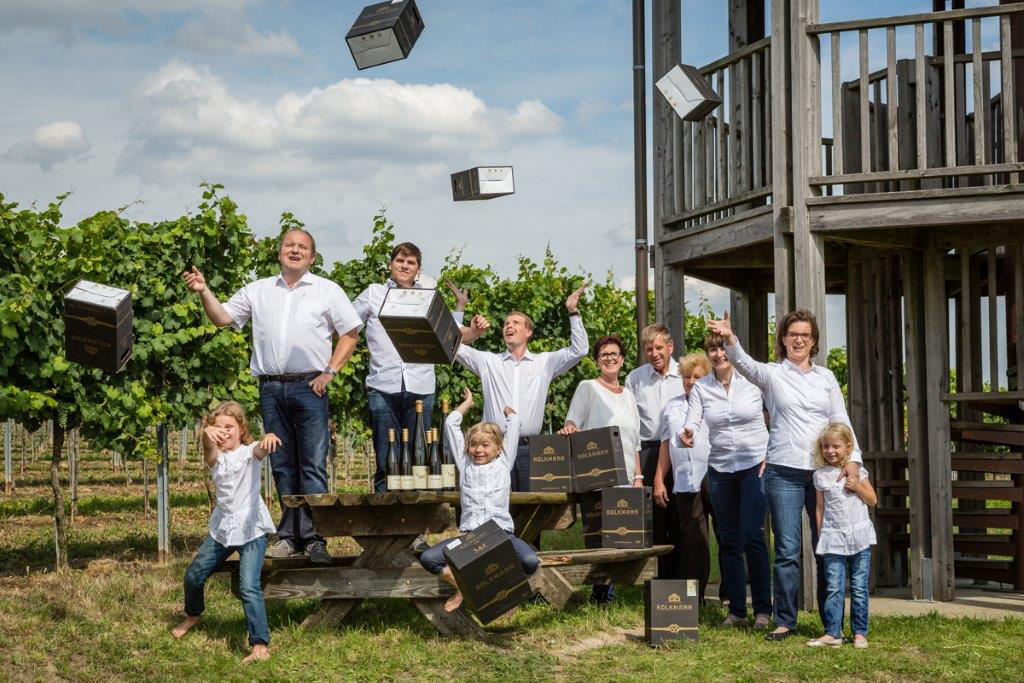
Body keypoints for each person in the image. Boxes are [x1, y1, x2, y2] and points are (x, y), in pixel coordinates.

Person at [184, 228, 363, 563]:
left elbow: (351, 333)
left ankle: (314, 539)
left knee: (312, 464)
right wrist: (204, 290)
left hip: (310, 386)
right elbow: (222, 317)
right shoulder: (259, 290)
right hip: (271, 387)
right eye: (289, 245)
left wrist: (330, 371)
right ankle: (289, 537)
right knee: (281, 464)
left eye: (302, 247)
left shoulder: (327, 290)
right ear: (280, 253)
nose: (295, 250)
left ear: (312, 257)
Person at [706, 309, 861, 642]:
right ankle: (785, 620)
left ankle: (831, 624)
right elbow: (744, 364)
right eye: (793, 334)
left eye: (805, 335)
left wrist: (854, 460)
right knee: (788, 550)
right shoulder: (773, 374)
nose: (799, 340)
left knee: (826, 548)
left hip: (823, 474)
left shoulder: (826, 378)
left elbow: (841, 420)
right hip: (783, 472)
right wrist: (730, 339)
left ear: (814, 341)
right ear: (783, 339)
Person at [353, 242, 467, 492]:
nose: (405, 266)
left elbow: (450, 333)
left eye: (411, 262)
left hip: (421, 386)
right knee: (386, 456)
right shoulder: (373, 293)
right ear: (391, 264)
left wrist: (464, 316)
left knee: (419, 458)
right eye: (400, 260)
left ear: (418, 269)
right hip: (382, 385)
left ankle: (416, 513)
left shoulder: (428, 296)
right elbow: (348, 325)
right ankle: (385, 511)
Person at [172, 401, 279, 664]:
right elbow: (209, 451)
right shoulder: (216, 458)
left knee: (248, 585)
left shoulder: (249, 453)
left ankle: (259, 643)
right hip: (223, 529)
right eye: (218, 427)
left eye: (229, 426)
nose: (224, 432)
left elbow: (261, 447)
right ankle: (193, 614)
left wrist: (269, 437)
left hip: (251, 529)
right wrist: (206, 435)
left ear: (241, 429)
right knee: (193, 575)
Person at [456, 282, 589, 492]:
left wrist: (573, 311)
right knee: (494, 504)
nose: (509, 326)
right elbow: (451, 344)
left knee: (530, 506)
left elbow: (579, 350)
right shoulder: (488, 362)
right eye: (506, 324)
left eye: (516, 323)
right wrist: (461, 314)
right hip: (494, 449)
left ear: (528, 332)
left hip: (529, 450)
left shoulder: (544, 362)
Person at [419, 388, 540, 612]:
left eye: (485, 445)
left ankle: (506, 590)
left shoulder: (504, 462)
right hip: (469, 539)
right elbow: (450, 424)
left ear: (498, 449)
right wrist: (468, 403)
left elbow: (514, 427)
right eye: (473, 444)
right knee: (429, 558)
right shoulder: (464, 463)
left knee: (530, 561)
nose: (478, 450)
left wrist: (510, 414)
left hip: (501, 536)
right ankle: (465, 589)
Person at [681, 332, 772, 628]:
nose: (719, 355)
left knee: (753, 536)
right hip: (720, 470)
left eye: (723, 349)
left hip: (754, 467)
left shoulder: (754, 381)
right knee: (729, 541)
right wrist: (688, 433)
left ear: (732, 350)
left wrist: (771, 452)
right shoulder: (702, 388)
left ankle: (763, 609)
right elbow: (693, 420)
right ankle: (736, 610)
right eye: (713, 350)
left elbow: (778, 415)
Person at [558, 334, 643, 604]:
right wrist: (570, 428)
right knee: (599, 535)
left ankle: (609, 594)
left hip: (626, 475)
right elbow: (572, 421)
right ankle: (601, 595)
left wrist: (638, 476)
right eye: (604, 355)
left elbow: (636, 441)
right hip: (598, 473)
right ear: (597, 361)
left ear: (622, 359)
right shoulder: (588, 387)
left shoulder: (629, 396)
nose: (609, 358)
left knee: (620, 535)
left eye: (614, 354)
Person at [807, 423, 877, 649]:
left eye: (835, 446)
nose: (830, 451)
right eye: (826, 446)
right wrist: (821, 536)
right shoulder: (820, 476)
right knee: (834, 587)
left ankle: (860, 632)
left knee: (859, 587)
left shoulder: (858, 472)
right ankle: (833, 632)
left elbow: (872, 500)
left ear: (848, 447)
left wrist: (857, 487)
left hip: (859, 538)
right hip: (833, 539)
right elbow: (819, 509)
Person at [625, 324, 683, 579]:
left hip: (680, 453)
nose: (654, 353)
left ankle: (684, 584)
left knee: (681, 519)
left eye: (659, 347)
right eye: (649, 349)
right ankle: (660, 584)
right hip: (649, 453)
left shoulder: (686, 374)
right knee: (655, 522)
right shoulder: (634, 379)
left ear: (670, 347)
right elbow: (631, 424)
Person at [654, 352, 712, 601]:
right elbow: (666, 444)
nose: (691, 381)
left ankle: (729, 595)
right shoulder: (672, 406)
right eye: (687, 376)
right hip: (685, 479)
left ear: (707, 377)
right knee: (693, 539)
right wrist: (659, 478)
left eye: (697, 377)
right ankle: (694, 598)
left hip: (713, 475)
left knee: (726, 535)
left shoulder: (715, 401)